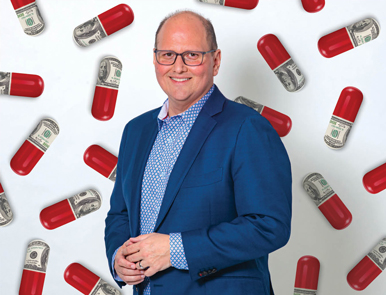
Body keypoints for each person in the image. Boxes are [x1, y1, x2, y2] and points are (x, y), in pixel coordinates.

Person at [104, 10, 292, 295]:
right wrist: (119, 257)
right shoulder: (136, 131)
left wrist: (175, 249)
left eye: (192, 55)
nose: (178, 67)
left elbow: (269, 225)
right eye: (168, 55)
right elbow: (120, 214)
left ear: (215, 62)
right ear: (155, 59)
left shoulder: (248, 128)